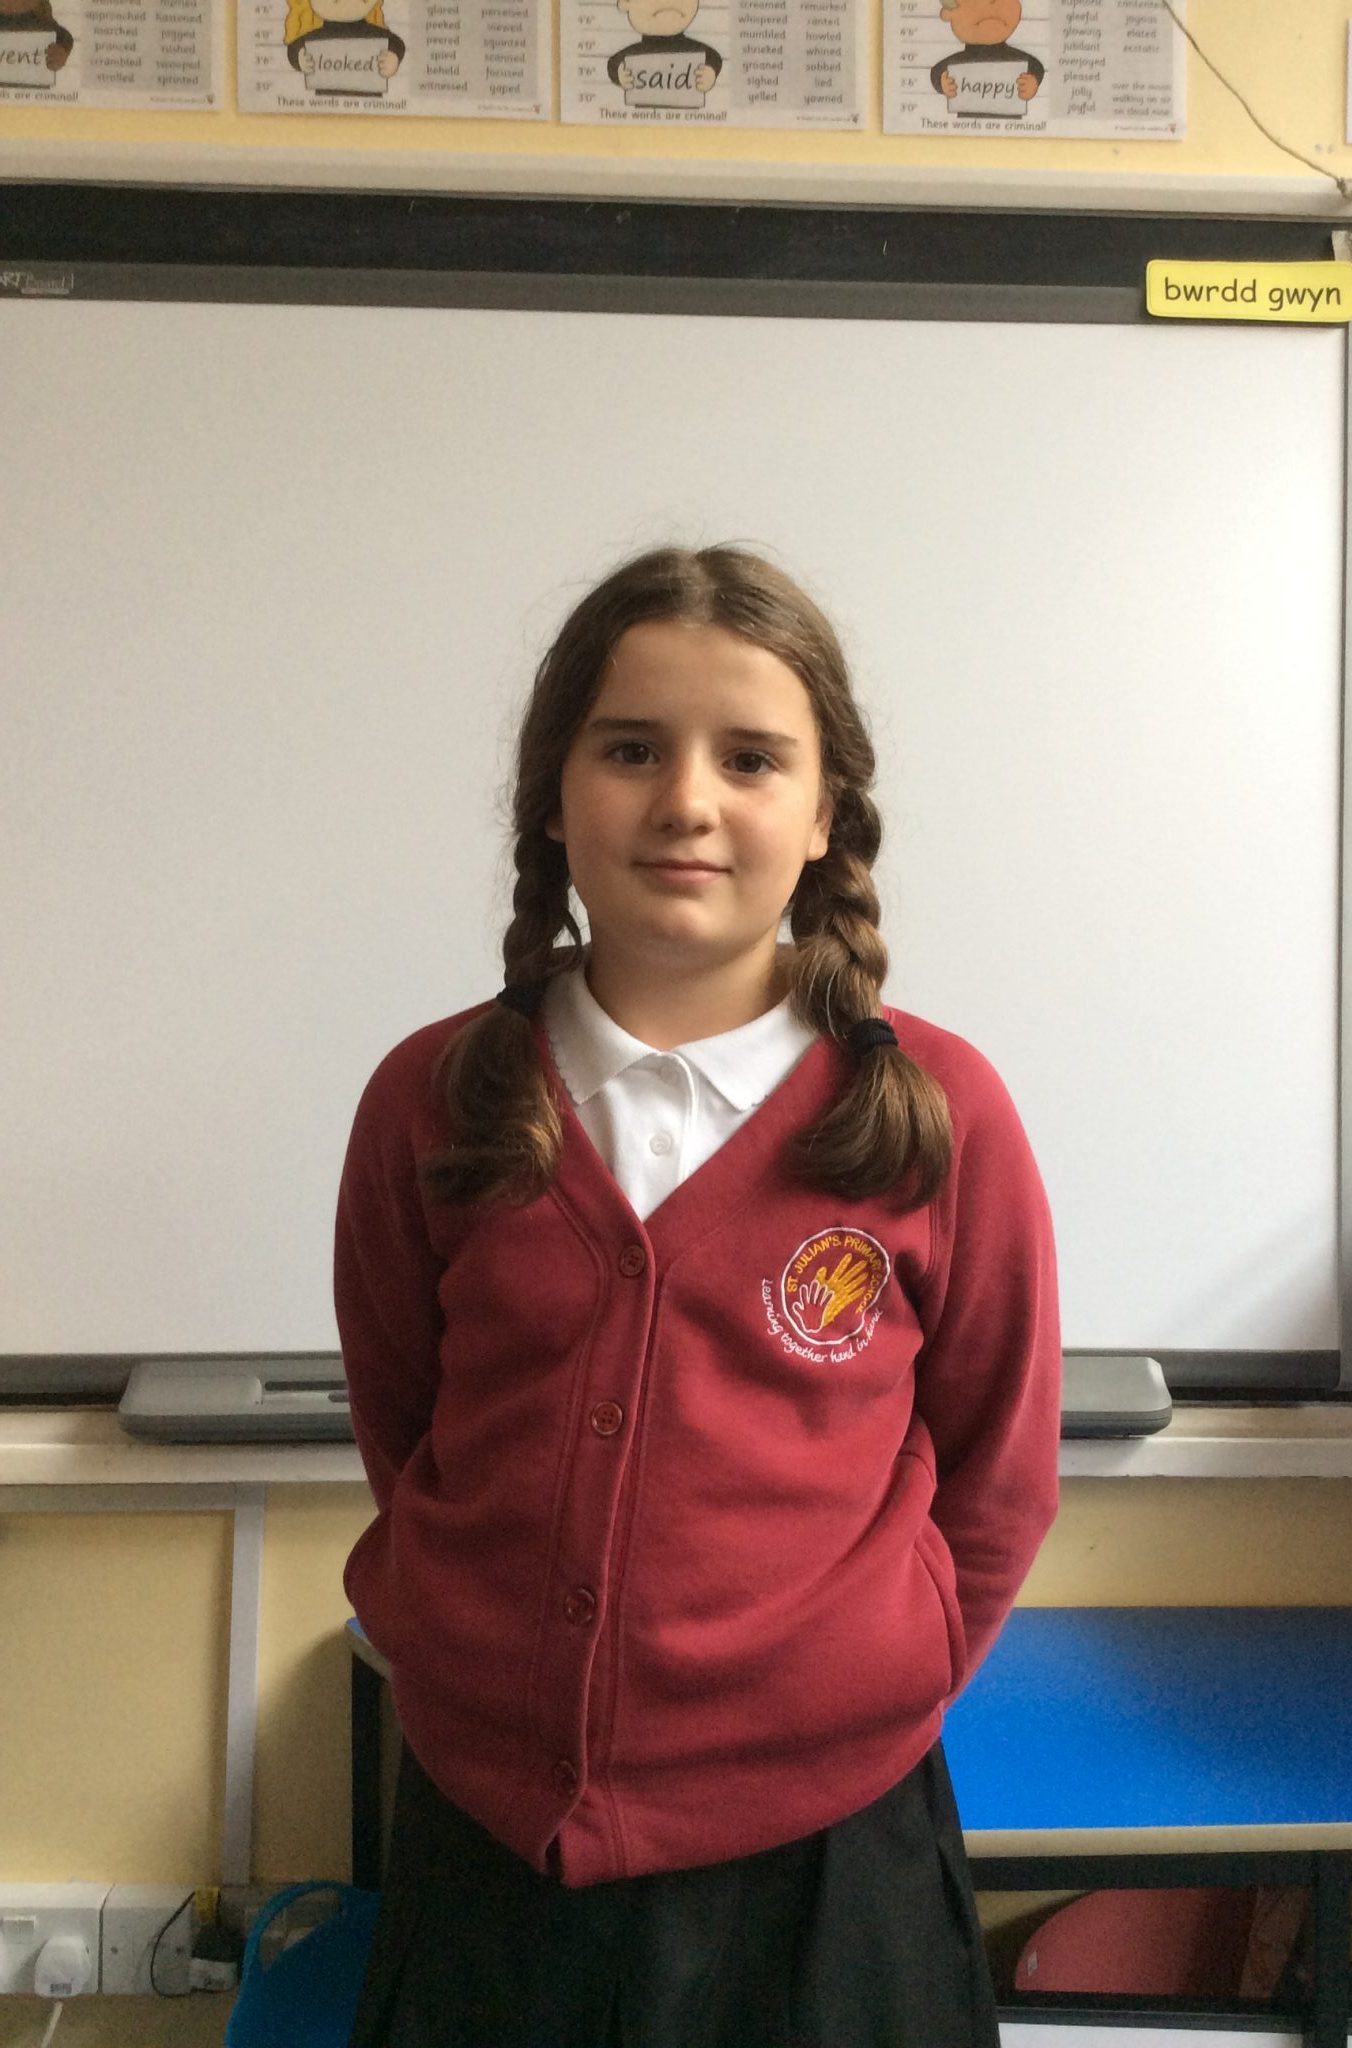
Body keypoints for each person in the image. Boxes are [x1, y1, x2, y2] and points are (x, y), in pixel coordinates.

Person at [336, 544, 1061, 2048]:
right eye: (628, 750)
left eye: (750, 758)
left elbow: (999, 1470)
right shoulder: (432, 1096)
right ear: (552, 795)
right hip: (492, 1853)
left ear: (823, 813)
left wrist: (893, 1660)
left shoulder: (935, 1112)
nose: (686, 801)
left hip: (827, 1862)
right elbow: (404, 1422)